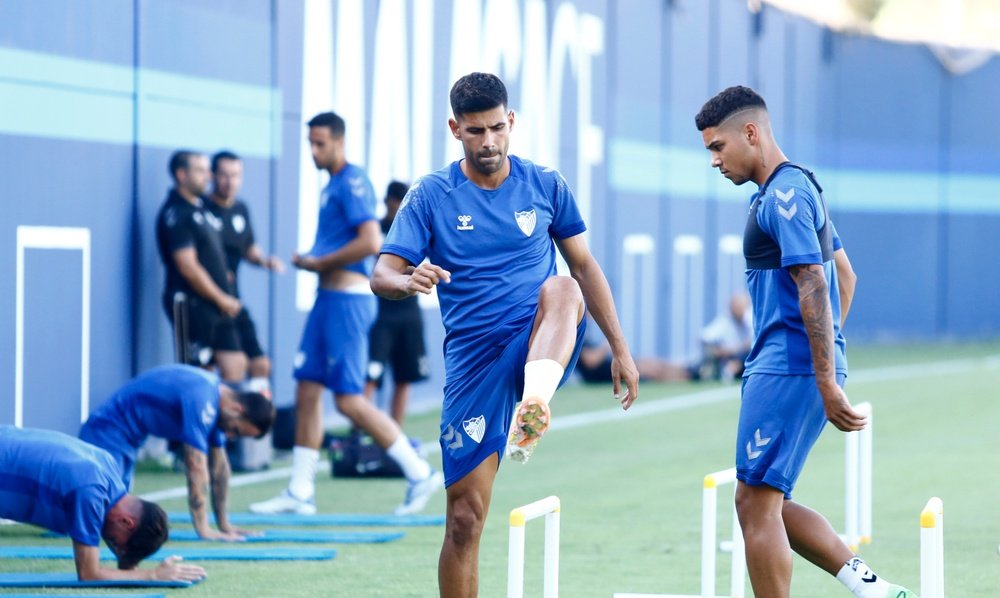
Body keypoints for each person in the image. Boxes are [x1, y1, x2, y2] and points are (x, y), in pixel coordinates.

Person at [371, 72, 639, 598]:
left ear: (511, 121)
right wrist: (408, 280)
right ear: (455, 129)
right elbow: (382, 275)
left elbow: (585, 268)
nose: (489, 142)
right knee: (465, 519)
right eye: (476, 132)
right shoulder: (431, 195)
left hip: (537, 340)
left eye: (497, 128)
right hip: (473, 361)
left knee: (561, 285)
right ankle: (522, 414)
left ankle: (532, 410)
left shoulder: (544, 184)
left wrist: (620, 349)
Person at [695, 85, 911, 598]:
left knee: (756, 506)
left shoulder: (785, 195)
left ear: (751, 132)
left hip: (786, 368)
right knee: (763, 500)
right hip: (795, 366)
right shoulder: (795, 188)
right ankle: (873, 589)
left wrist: (821, 373)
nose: (713, 160)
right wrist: (830, 359)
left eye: (717, 147)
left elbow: (815, 279)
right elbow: (848, 277)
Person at [250, 112, 441, 517]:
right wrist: (317, 263)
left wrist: (320, 262)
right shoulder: (333, 185)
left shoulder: (353, 181)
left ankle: (418, 470)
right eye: (311, 144)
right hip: (327, 301)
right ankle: (300, 491)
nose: (315, 151)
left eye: (320, 143)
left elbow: (371, 240)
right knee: (306, 388)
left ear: (339, 141)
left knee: (350, 401)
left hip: (348, 302)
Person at [79, 365, 274, 541]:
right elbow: (196, 465)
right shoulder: (203, 398)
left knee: (113, 516)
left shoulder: (219, 410)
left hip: (127, 441)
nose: (230, 435)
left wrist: (225, 525)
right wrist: (204, 529)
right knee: (99, 516)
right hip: (105, 433)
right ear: (236, 409)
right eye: (236, 430)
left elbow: (220, 469)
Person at [0, 426, 205, 582]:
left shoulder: (107, 466)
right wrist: (152, 575)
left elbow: (116, 543)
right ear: (126, 522)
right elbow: (89, 573)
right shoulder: (91, 494)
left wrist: (128, 562)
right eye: (116, 543)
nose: (110, 543)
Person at [155, 150, 245, 383]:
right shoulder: (176, 213)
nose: (209, 176)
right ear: (181, 174)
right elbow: (188, 267)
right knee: (198, 377)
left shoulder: (201, 207)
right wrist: (221, 298)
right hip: (192, 304)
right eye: (201, 170)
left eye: (208, 170)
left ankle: (223, 420)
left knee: (235, 366)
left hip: (218, 304)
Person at [205, 150, 285, 393]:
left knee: (261, 364)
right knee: (233, 367)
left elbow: (248, 247)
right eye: (224, 175)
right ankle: (228, 427)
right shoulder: (202, 209)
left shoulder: (241, 209)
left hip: (235, 300)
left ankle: (255, 428)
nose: (230, 182)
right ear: (212, 176)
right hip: (210, 304)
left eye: (235, 175)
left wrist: (263, 260)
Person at [363, 180, 430, 424]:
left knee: (404, 376)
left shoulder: (415, 228)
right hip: (381, 313)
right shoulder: (375, 230)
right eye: (397, 200)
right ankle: (361, 432)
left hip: (409, 313)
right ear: (388, 201)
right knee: (371, 375)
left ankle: (394, 435)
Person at [576, 313, 690, 383]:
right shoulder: (577, 332)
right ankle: (689, 377)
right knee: (653, 369)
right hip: (604, 372)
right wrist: (607, 346)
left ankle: (689, 372)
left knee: (655, 363)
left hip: (610, 365)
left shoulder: (585, 329)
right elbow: (589, 361)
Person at [699, 292, 753, 381]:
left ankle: (732, 368)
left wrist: (732, 350)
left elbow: (753, 342)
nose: (737, 309)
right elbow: (704, 337)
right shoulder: (725, 321)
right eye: (735, 306)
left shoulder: (752, 318)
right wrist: (716, 350)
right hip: (727, 357)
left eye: (740, 306)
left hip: (749, 357)